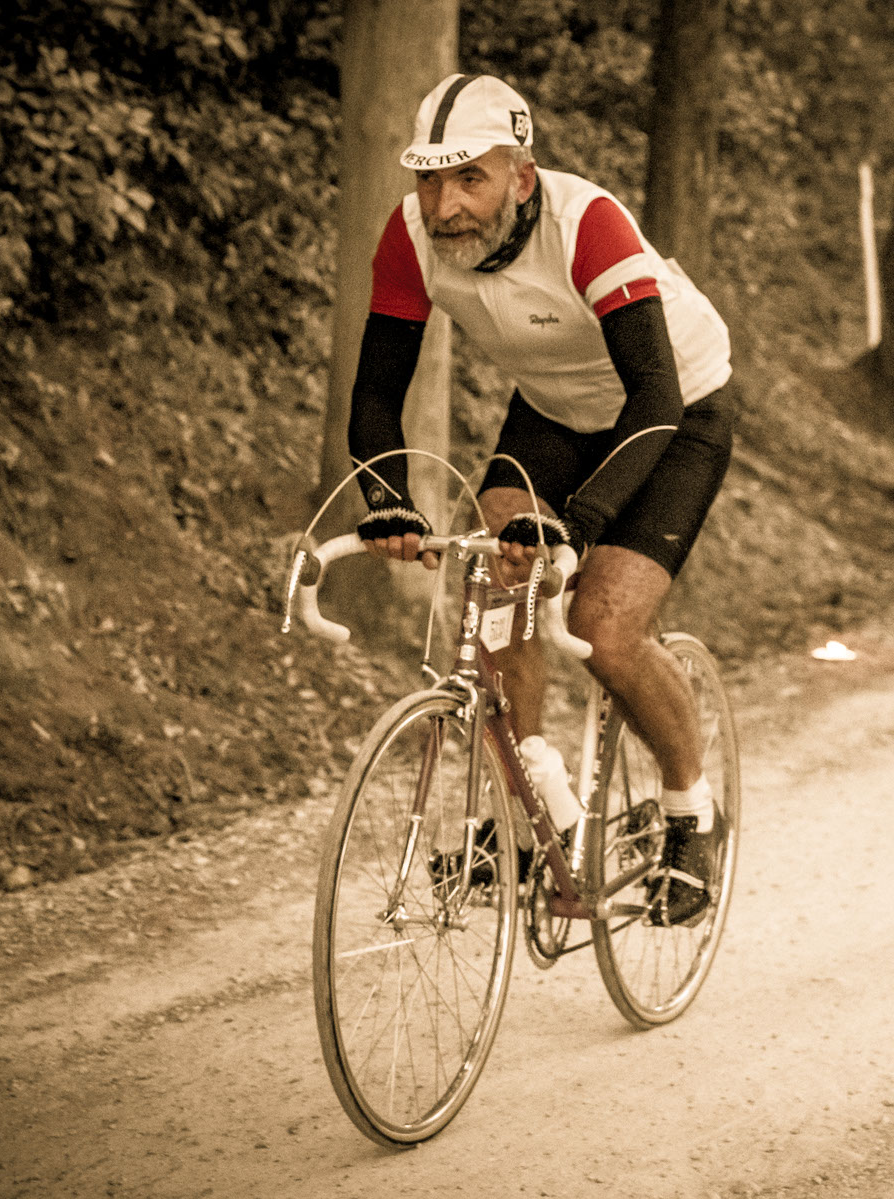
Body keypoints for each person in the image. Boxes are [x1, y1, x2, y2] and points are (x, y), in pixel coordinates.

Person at [345, 74, 736, 926]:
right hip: (558, 409)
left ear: (522, 177)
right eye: (428, 179)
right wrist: (387, 497)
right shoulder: (411, 236)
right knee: (496, 567)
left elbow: (655, 400)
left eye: (469, 179)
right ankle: (529, 816)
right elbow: (377, 393)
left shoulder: (587, 226)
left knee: (601, 625)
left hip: (673, 409)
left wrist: (578, 525)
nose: (443, 206)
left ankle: (690, 810)